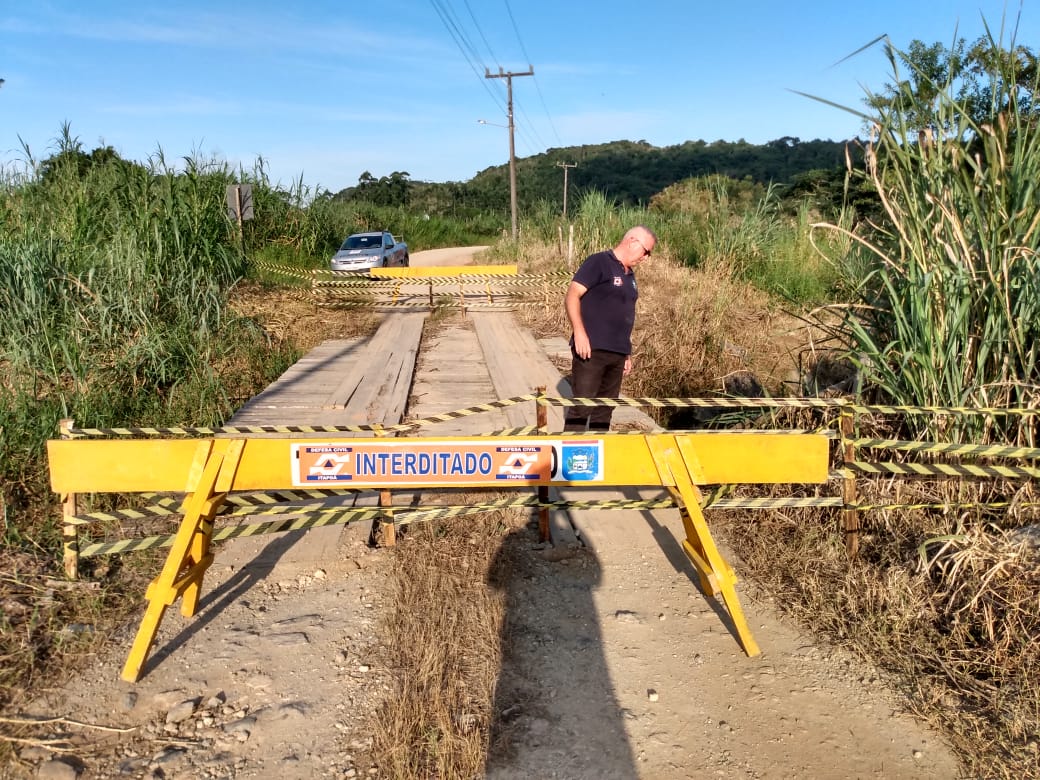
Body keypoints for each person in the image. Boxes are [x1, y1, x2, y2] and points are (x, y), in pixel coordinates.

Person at [563, 225, 657, 432]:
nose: (646, 258)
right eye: (646, 251)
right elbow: (572, 296)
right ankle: (570, 457)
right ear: (632, 241)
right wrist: (579, 332)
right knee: (582, 407)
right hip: (591, 349)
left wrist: (626, 352)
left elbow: (623, 315)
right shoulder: (599, 262)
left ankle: (598, 453)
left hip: (618, 352)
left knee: (605, 409)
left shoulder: (629, 275)